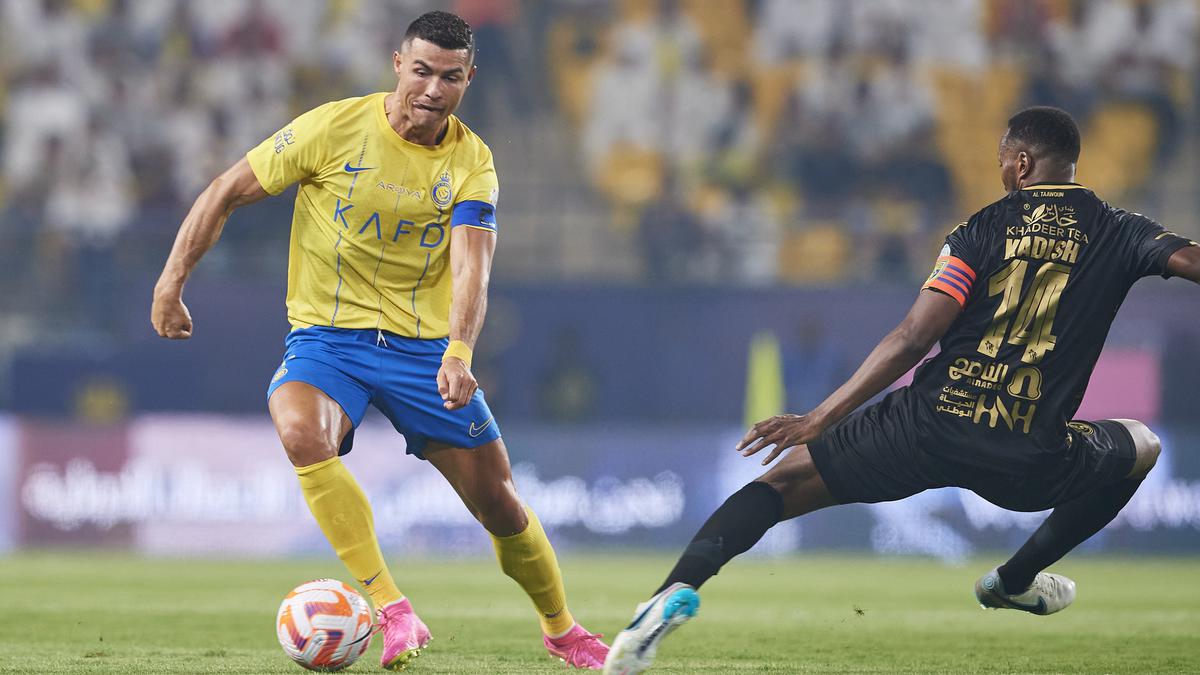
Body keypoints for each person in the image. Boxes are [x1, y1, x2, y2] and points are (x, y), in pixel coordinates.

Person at [603, 106, 1200, 674]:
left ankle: (670, 593)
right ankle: (1014, 581)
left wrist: (821, 417)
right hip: (1029, 451)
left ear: (1021, 164)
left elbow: (915, 336)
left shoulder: (980, 229)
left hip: (929, 424)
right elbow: (1189, 259)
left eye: (1001, 161)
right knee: (1142, 446)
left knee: (779, 485)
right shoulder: (1122, 231)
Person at [150, 11, 609, 671]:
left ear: (468, 79)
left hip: (423, 350)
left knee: (501, 505)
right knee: (300, 426)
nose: (432, 88)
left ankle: (563, 631)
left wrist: (459, 352)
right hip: (328, 339)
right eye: (421, 70)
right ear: (398, 64)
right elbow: (225, 191)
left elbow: (474, 267)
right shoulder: (332, 128)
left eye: (449, 77)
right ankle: (392, 607)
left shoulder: (472, 163)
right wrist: (171, 284)